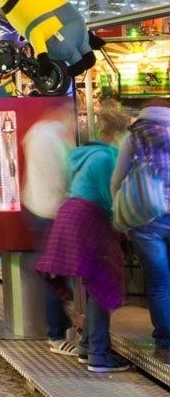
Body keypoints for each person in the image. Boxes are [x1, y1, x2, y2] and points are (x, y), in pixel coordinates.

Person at [36, 106, 132, 373]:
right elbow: (109, 197)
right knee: (103, 284)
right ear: (118, 134)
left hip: (71, 216)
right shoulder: (105, 159)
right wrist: (125, 224)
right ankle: (99, 355)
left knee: (94, 285)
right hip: (89, 220)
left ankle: (88, 346)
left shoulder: (86, 154)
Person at [111, 97, 170, 363]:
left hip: (147, 220)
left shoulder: (135, 138)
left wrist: (120, 207)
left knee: (159, 283)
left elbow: (117, 179)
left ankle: (166, 344)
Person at [19, 116, 74, 355]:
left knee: (53, 274)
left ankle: (61, 329)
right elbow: (59, 180)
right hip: (50, 213)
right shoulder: (51, 139)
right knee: (55, 274)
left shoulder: (37, 132)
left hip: (36, 208)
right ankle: (57, 334)